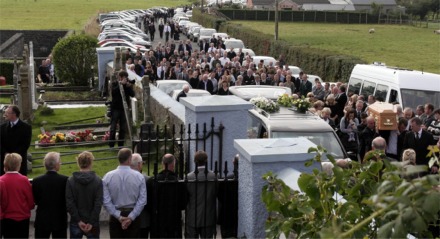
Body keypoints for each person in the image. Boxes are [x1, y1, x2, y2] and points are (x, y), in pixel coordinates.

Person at [102, 148, 146, 238]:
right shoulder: (139, 177)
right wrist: (131, 217)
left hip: (115, 215)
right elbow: (142, 200)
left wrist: (118, 216)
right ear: (130, 159)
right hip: (133, 213)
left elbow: (106, 201)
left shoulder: (108, 177)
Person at [147, 154, 187, 238]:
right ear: (173, 164)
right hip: (174, 219)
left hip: (157, 219)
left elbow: (148, 202)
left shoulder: (152, 181)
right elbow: (183, 203)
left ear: (162, 163)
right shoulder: (179, 181)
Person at [66, 151, 103, 239]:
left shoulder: (71, 181)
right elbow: (98, 203)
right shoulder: (97, 181)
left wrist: (78, 221)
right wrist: (91, 222)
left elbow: (70, 203)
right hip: (92, 222)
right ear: (91, 162)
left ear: (78, 163)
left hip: (76, 221)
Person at [32, 152, 69, 238]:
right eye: (59, 162)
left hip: (42, 219)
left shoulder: (37, 181)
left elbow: (36, 200)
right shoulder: (65, 180)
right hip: (60, 219)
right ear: (56, 165)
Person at [0, 153, 34, 238]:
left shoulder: (1, 180)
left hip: (7, 217)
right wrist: (30, 206)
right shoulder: (24, 180)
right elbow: (29, 198)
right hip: (23, 217)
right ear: (19, 165)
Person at [185, 150, 217, 238]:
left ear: (195, 161)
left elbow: (185, 197)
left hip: (193, 216)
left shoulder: (189, 177)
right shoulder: (213, 176)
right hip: (208, 216)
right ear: (206, 161)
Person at [0, 105, 32, 176]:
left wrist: (14, 156)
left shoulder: (26, 128)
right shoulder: (2, 128)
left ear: (14, 114)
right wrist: (6, 154)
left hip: (19, 162)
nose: (5, 115)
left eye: (7, 113)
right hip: (5, 162)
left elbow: (25, 145)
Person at [109, 70, 135, 148]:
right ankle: (111, 145)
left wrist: (129, 87)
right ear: (120, 78)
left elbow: (133, 94)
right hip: (116, 108)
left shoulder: (127, 85)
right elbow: (113, 92)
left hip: (124, 109)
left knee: (123, 128)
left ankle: (120, 145)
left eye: (126, 78)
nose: (125, 79)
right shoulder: (115, 84)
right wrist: (120, 84)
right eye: (123, 78)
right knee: (113, 127)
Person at [129, 153, 151, 238]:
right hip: (143, 220)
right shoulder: (147, 179)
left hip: (127, 217)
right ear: (139, 164)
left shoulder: (124, 178)